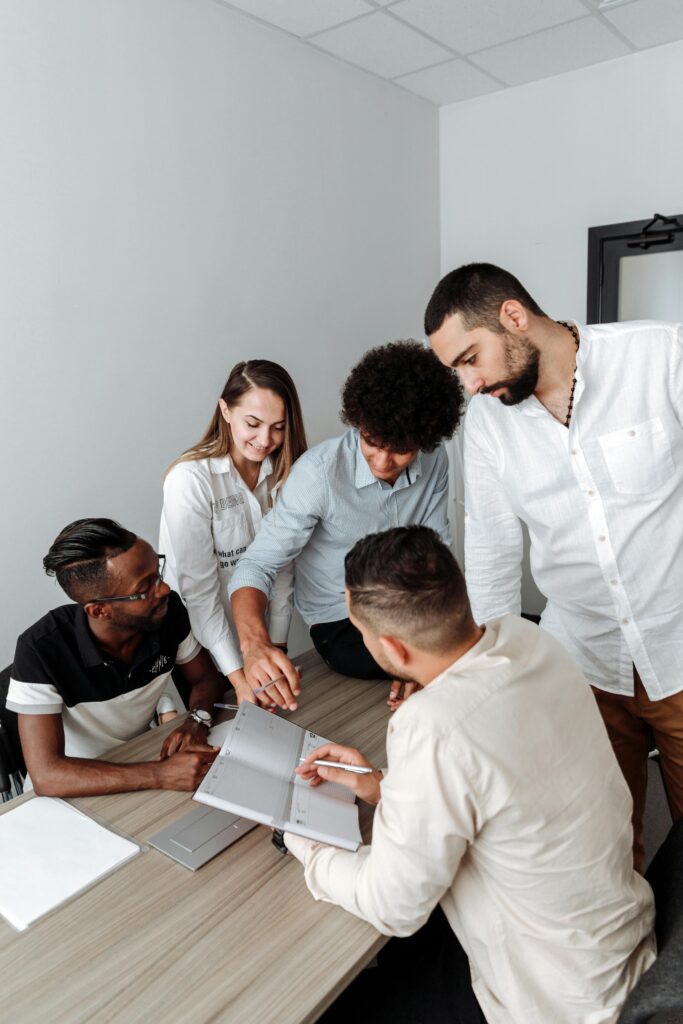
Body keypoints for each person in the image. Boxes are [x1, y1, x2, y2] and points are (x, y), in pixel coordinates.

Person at [287, 526, 656, 1024]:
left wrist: (306, 846)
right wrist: (380, 783)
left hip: (551, 1001)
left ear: (393, 650)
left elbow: (394, 906)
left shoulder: (431, 726)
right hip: (614, 950)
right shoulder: (531, 640)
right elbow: (500, 782)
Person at [424, 261, 683, 872]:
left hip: (678, 651)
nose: (469, 384)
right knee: (604, 850)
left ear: (514, 316)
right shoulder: (486, 424)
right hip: (583, 669)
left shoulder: (661, 356)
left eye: (470, 358)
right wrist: (480, 683)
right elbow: (490, 556)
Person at [228, 341, 464, 712]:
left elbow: (437, 555)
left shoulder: (435, 460)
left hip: (410, 610)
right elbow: (256, 565)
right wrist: (255, 644)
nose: (384, 463)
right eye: (372, 443)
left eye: (401, 450)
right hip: (342, 624)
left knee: (512, 628)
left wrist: (421, 649)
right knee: (463, 659)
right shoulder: (318, 474)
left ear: (425, 439)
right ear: (358, 423)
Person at [6, 518, 225, 796]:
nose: (164, 590)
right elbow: (48, 776)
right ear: (99, 611)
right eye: (144, 589)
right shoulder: (40, 649)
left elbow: (205, 679)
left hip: (141, 759)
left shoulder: (165, 613)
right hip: (73, 785)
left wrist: (197, 721)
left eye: (157, 573)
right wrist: (161, 774)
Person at [159, 360, 307, 707]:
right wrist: (240, 679)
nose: (265, 440)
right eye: (252, 424)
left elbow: (283, 568)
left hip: (259, 635)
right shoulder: (190, 481)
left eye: (278, 427)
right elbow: (199, 593)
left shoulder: (288, 474)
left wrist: (275, 651)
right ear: (225, 410)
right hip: (199, 643)